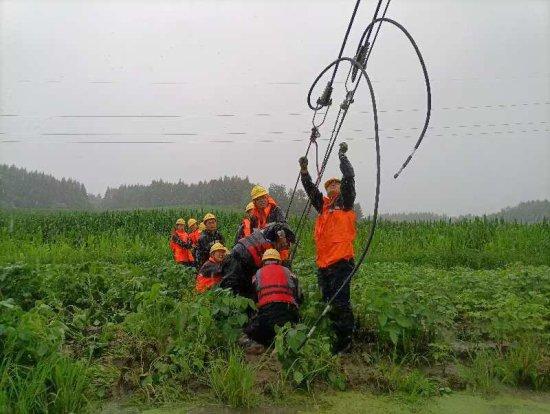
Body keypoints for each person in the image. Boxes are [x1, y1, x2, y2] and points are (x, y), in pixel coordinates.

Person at [299, 142, 357, 354]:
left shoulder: (347, 202)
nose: (332, 187)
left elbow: (350, 178)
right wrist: (305, 172)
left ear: (340, 188)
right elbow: (310, 190)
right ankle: (334, 335)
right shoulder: (323, 207)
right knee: (327, 301)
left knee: (341, 302)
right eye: (329, 186)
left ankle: (345, 342)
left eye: (335, 185)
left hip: (341, 262)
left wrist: (342, 157)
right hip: (324, 265)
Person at [242, 249, 302, 348]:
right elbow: (299, 297)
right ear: (279, 261)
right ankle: (285, 338)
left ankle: (266, 340)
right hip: (288, 315)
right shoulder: (289, 273)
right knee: (290, 327)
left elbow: (252, 300)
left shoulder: (257, 274)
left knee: (252, 333)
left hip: (266, 317)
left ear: (263, 262)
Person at [219, 222, 295, 300]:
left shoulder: (276, 246)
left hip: (249, 261)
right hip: (241, 257)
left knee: (248, 291)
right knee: (230, 287)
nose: (287, 245)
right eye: (287, 243)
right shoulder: (272, 233)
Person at [250, 185, 289, 262]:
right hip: (262, 254)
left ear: (267, 197)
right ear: (254, 202)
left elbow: (284, 227)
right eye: (258, 199)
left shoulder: (276, 210)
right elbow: (252, 236)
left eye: (264, 197)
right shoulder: (254, 217)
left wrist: (282, 239)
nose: (262, 200)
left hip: (279, 252)